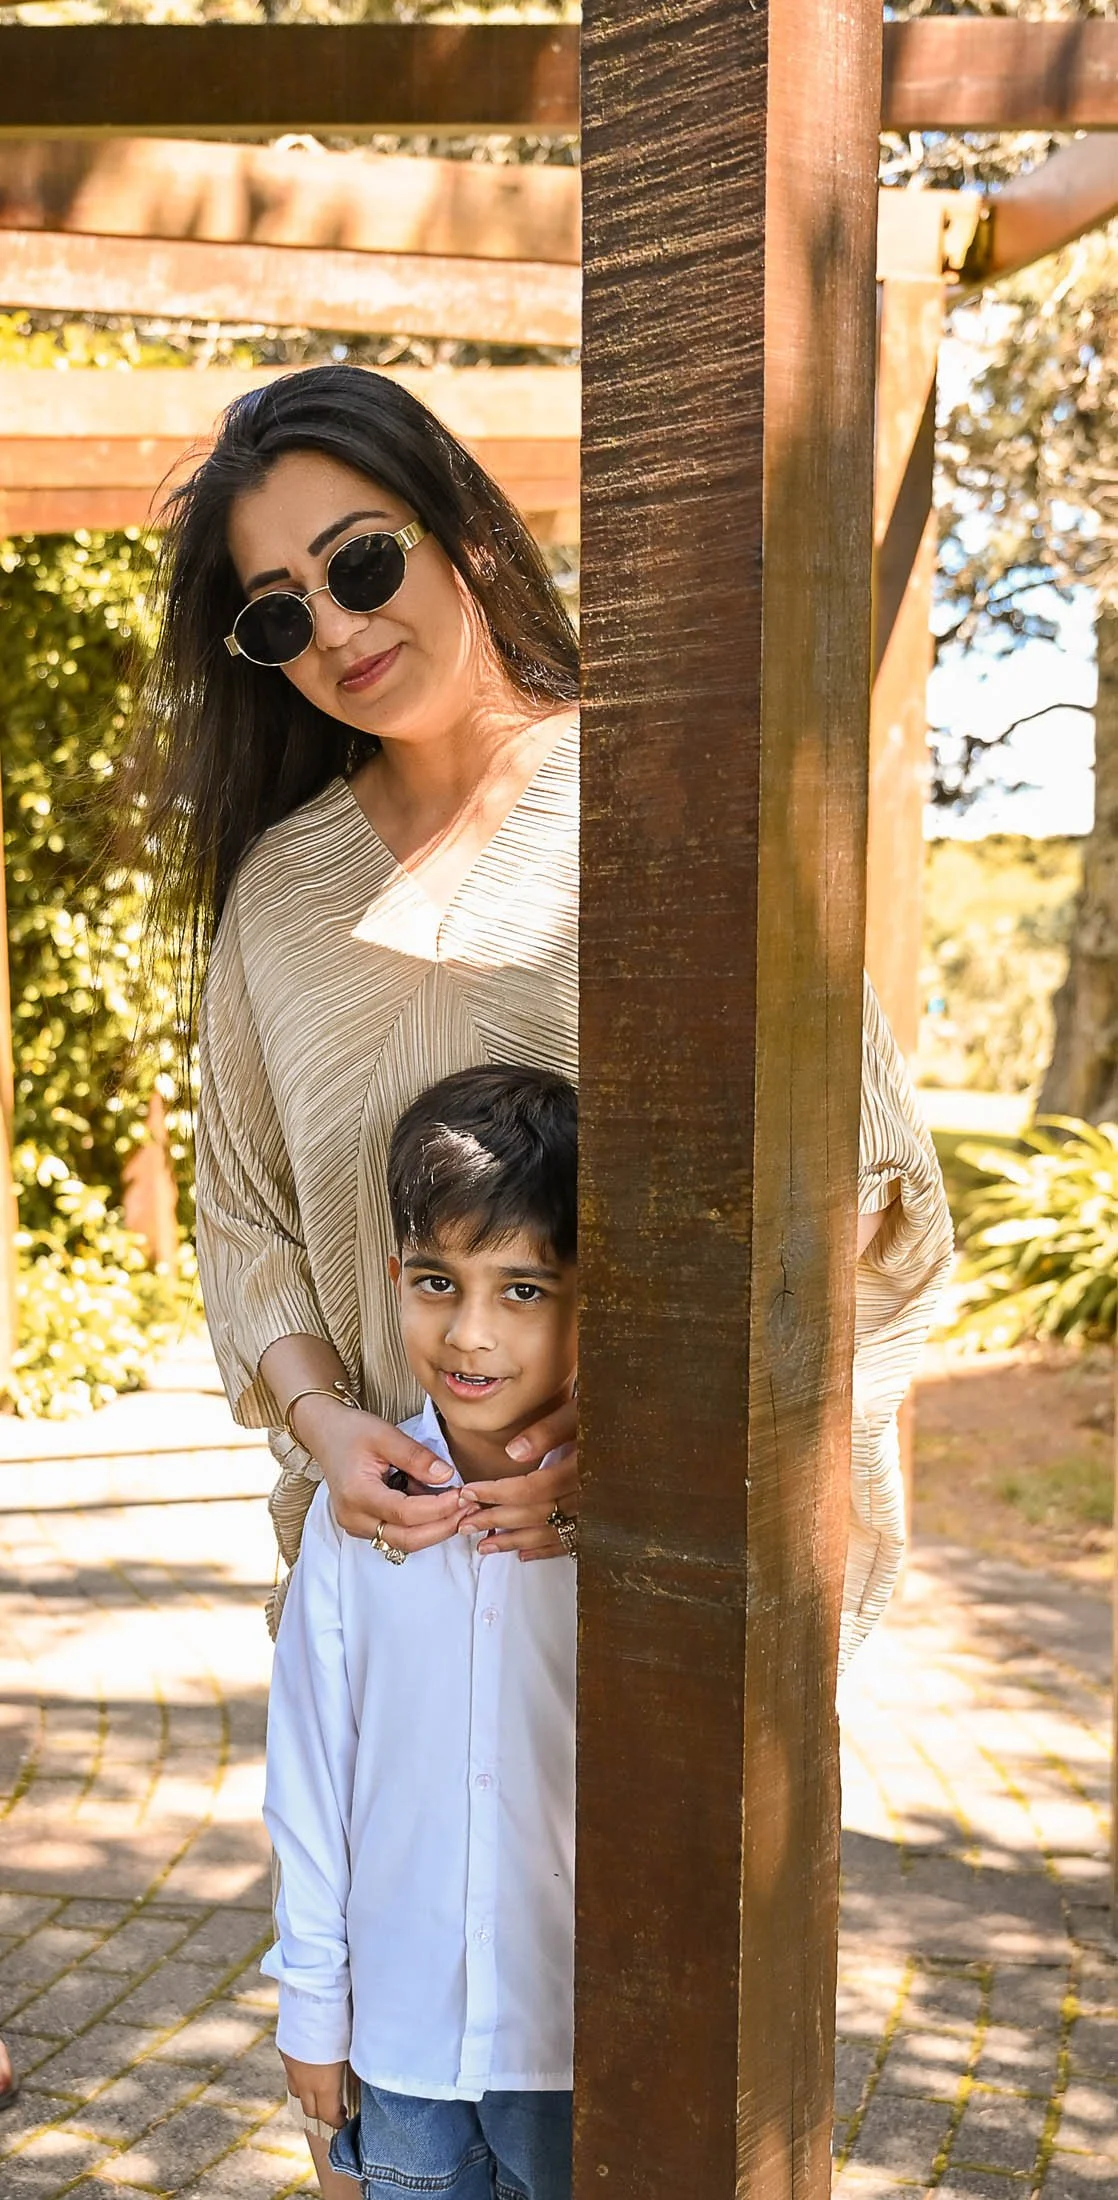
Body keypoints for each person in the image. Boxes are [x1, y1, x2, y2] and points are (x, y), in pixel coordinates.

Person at [125, 361, 949, 1666]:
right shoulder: (279, 897)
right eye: (278, 617)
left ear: (460, 527)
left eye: (360, 566)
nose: (335, 632)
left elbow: (846, 1170)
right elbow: (243, 1217)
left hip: (666, 1576)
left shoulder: (663, 805)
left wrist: (630, 1431)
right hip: (403, 1597)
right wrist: (325, 1423)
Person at [263, 1066, 580, 2200]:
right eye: (438, 1282)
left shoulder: (628, 1537)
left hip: (574, 2045)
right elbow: (308, 1775)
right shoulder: (358, 1522)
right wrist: (313, 2001)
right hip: (400, 2044)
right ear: (395, 1277)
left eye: (526, 1290)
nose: (472, 1332)